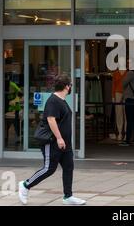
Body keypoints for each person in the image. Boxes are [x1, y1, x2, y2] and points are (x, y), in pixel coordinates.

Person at [18, 75, 86, 205]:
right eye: (70, 85)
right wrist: (59, 138)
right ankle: (25, 185)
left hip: (65, 143)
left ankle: (68, 196)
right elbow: (51, 119)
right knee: (49, 168)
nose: (71, 87)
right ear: (66, 86)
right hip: (53, 142)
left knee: (68, 167)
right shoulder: (53, 100)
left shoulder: (62, 100)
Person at [120, 61, 134, 146]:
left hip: (130, 99)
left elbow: (123, 83)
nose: (127, 65)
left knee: (130, 120)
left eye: (128, 63)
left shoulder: (130, 73)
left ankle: (128, 140)